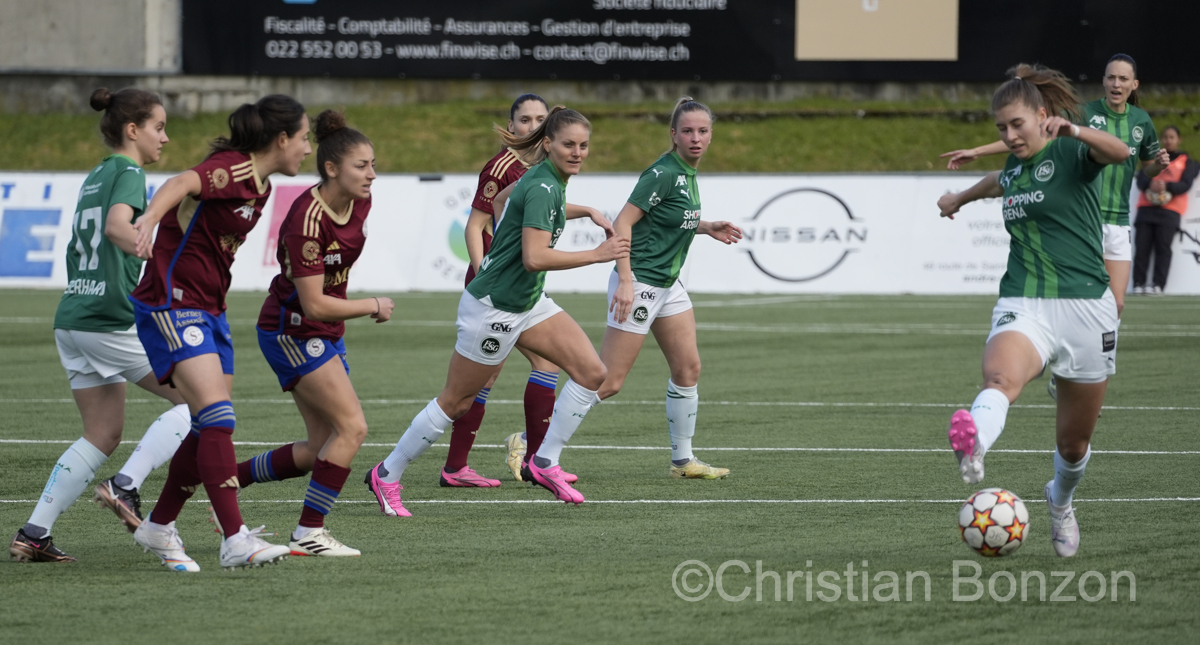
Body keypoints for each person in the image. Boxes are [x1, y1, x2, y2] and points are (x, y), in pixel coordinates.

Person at [365, 106, 628, 513]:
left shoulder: (545, 182)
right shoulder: (543, 187)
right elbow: (535, 258)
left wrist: (582, 211)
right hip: (494, 309)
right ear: (548, 145)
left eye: (584, 145)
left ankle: (543, 461)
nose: (578, 152)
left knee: (592, 373)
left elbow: (505, 200)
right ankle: (386, 474)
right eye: (569, 144)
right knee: (456, 401)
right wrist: (597, 254)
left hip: (526, 302)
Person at [936, 64, 1132, 557]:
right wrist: (957, 198)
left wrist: (1076, 129)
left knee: (1073, 445)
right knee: (1000, 380)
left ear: (1043, 117)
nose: (1008, 135)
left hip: (1088, 307)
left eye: (1016, 125)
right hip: (1025, 301)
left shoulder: (1070, 152)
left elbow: (1121, 152)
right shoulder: (1014, 170)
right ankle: (975, 443)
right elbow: (992, 182)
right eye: (1001, 128)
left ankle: (1060, 501)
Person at [127, 94, 312, 571]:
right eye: (305, 138)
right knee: (218, 417)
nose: (308, 149)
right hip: (173, 301)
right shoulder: (232, 169)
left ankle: (158, 526)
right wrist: (149, 218)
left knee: (208, 422)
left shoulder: (264, 187)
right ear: (282, 138)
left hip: (210, 307)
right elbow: (181, 181)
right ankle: (235, 540)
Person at [8, 88, 190, 564]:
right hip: (110, 318)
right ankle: (125, 487)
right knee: (198, 402)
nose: (165, 138)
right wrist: (155, 253)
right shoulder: (129, 172)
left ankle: (34, 532)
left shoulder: (97, 174)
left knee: (103, 431)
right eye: (158, 127)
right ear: (133, 130)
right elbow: (116, 228)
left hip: (74, 317)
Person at [229, 110, 392, 557]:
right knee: (353, 428)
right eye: (362, 166)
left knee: (320, 446)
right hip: (292, 330)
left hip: (323, 329)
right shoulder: (306, 222)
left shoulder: (360, 199)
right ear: (331, 169)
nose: (372, 174)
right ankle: (309, 533)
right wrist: (372, 305)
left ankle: (227, 478)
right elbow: (314, 302)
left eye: (373, 164)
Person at [942, 54, 1170, 318]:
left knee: (1115, 305)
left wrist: (1158, 167)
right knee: (1087, 299)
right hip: (1088, 219)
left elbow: (1144, 165)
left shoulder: (1141, 120)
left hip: (1118, 219)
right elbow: (1029, 133)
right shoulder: (1084, 113)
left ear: (1135, 84)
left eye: (1123, 79)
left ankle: (1100, 352)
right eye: (1111, 77)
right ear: (1103, 81)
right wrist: (979, 151)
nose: (1116, 84)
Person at [595, 97, 743, 480]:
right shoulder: (662, 172)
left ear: (711, 136)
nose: (696, 138)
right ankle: (531, 440)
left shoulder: (686, 173)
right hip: (641, 280)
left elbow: (669, 217)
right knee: (608, 381)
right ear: (673, 135)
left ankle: (683, 461)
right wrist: (625, 280)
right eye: (688, 131)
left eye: (703, 131)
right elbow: (622, 223)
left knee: (688, 367)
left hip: (667, 284)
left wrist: (706, 226)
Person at [445, 93, 559, 488]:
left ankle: (535, 458)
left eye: (540, 118)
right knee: (482, 381)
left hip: (518, 287)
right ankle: (460, 467)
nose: (532, 126)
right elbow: (475, 226)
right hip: (493, 288)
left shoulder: (546, 165)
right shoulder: (502, 166)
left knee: (545, 365)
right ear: (511, 128)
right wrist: (482, 272)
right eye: (524, 120)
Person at [1133, 125, 1198, 294]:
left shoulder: (1186, 161)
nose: (1168, 140)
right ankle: (1138, 284)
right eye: (1165, 137)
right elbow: (1140, 181)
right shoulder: (1153, 159)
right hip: (1146, 210)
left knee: (1163, 249)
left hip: (1169, 212)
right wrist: (1150, 184)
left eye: (1172, 137)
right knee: (1142, 249)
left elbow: (1186, 184)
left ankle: (1157, 285)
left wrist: (1166, 185)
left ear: (1178, 140)